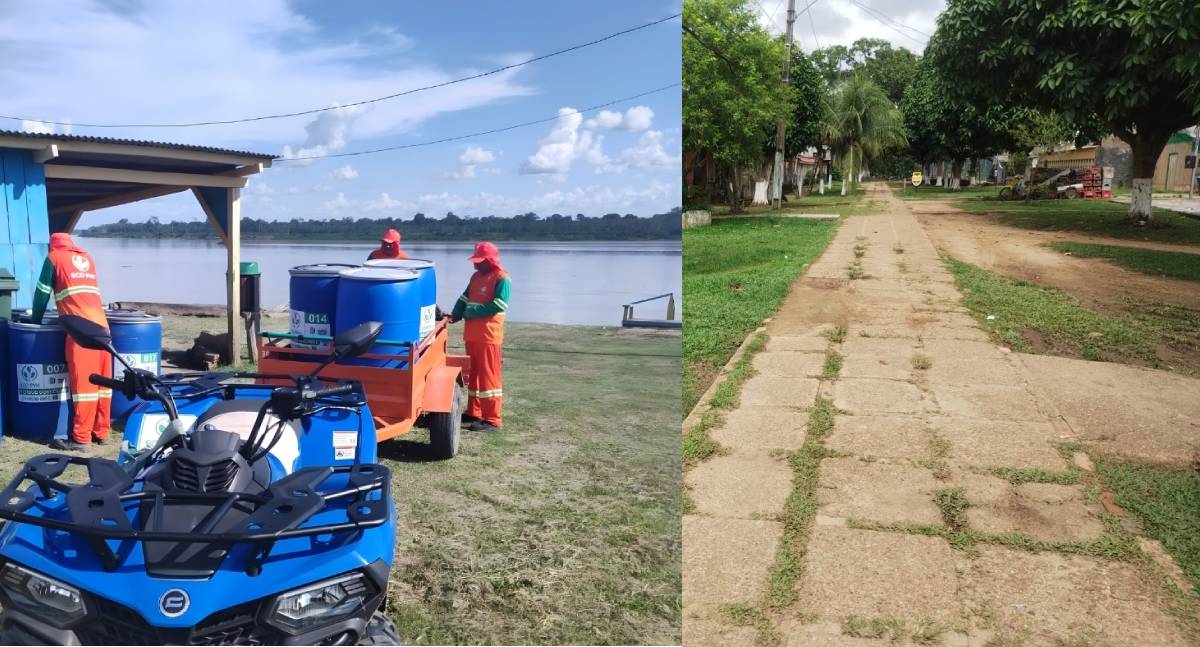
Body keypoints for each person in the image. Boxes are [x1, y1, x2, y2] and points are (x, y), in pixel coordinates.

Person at [31, 232, 112, 451]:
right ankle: (102, 432)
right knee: (103, 385)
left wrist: (34, 322)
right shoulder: (87, 257)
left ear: (52, 246)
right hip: (103, 328)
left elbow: (41, 294)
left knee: (84, 387)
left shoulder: (54, 258)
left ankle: (81, 439)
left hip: (80, 332)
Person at [449, 241, 511, 432]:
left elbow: (500, 304)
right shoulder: (476, 277)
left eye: (479, 261)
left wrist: (472, 312)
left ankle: (492, 419)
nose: (475, 264)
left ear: (490, 261)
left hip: (488, 337)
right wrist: (454, 315)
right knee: (474, 375)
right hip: (472, 336)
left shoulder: (502, 278)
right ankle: (474, 412)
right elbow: (464, 298)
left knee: (488, 378)